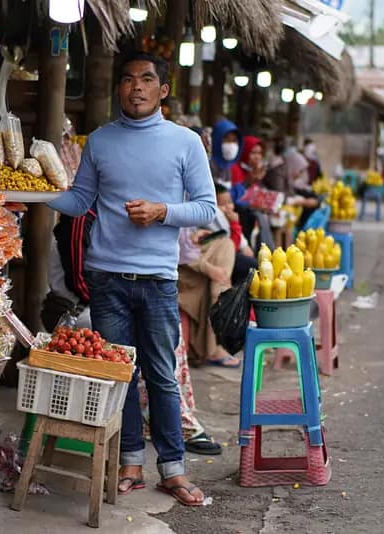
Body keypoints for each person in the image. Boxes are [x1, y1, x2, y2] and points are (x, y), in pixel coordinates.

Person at [47, 52, 217, 506]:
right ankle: (130, 465)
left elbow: (206, 207)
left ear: (163, 91)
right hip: (106, 279)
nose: (135, 87)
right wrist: (36, 195)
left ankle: (174, 469)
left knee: (161, 376)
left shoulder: (185, 143)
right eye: (127, 79)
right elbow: (82, 199)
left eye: (146, 79)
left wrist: (163, 212)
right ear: (118, 88)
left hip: (159, 280)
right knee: (119, 375)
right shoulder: (100, 141)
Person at [42, 212, 223, 456]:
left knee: (165, 352)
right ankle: (145, 439)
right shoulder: (80, 218)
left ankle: (169, 433)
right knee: (131, 358)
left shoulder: (119, 213)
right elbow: (79, 283)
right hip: (78, 307)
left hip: (113, 298)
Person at [177, 225, 238, 368]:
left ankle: (215, 347)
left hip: (189, 252)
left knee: (226, 246)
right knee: (227, 251)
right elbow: (174, 247)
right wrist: (207, 268)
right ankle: (214, 347)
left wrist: (194, 234)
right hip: (180, 264)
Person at [231, 136, 275, 250]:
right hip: (239, 211)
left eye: (260, 153)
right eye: (253, 152)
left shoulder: (252, 170)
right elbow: (236, 195)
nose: (257, 157)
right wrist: (250, 181)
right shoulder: (235, 169)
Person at [207, 119, 242, 185]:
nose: (231, 144)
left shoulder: (228, 167)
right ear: (216, 139)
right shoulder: (207, 166)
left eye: (234, 140)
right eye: (226, 139)